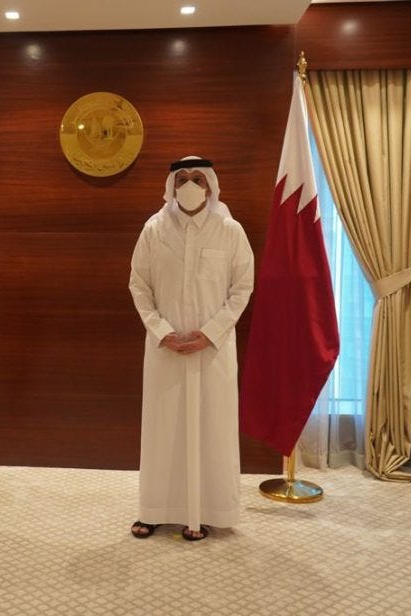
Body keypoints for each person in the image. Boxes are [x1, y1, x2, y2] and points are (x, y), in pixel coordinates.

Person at [128, 156, 254, 541]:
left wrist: (209, 333)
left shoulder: (230, 230)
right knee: (163, 429)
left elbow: (241, 289)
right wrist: (161, 330)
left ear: (211, 184)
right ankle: (154, 509)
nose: (189, 184)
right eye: (182, 178)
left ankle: (206, 512)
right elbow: (139, 285)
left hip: (212, 350)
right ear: (170, 185)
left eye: (198, 178)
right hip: (165, 348)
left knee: (210, 428)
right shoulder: (154, 229)